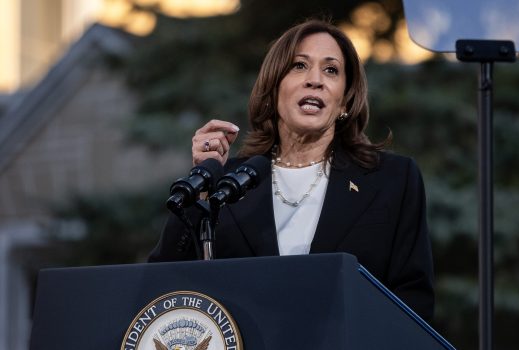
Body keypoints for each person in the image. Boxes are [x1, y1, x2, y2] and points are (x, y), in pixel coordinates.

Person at [149, 19, 435, 321]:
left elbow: (412, 301)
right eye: (299, 66)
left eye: (331, 70)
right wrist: (203, 187)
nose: (315, 80)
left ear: (345, 101)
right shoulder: (229, 183)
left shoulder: (392, 179)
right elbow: (164, 287)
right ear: (273, 89)